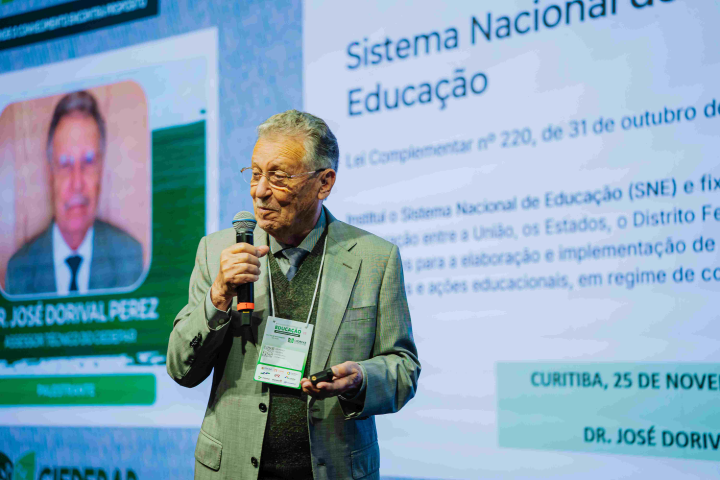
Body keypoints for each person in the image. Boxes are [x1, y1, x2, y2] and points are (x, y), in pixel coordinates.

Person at [167, 110, 420, 480]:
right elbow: (181, 369)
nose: (260, 191)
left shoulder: (375, 259)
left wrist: (361, 379)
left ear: (324, 183)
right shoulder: (216, 251)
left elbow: (404, 369)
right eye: (255, 174)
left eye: (279, 177)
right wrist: (218, 296)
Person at [5, 90, 143, 296]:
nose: (77, 183)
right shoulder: (19, 270)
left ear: (101, 169)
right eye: (65, 163)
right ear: (50, 173)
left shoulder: (130, 259)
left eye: (88, 161)